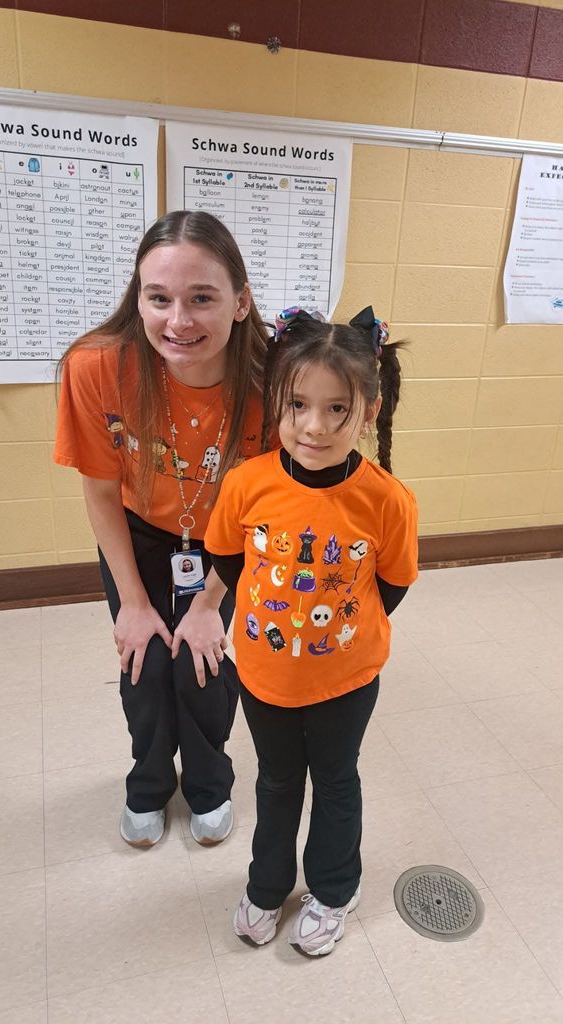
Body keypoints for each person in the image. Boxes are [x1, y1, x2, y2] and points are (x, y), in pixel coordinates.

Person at [205, 306, 418, 955]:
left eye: (336, 409)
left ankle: (331, 887)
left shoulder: (386, 499)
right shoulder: (247, 483)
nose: (313, 426)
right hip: (263, 675)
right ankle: (267, 885)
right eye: (297, 404)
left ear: (369, 407)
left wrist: (336, 635)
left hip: (345, 679)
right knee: (273, 782)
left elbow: (392, 582)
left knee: (333, 779)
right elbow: (226, 558)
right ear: (276, 399)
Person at [54, 211, 269, 849]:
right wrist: (134, 604)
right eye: (159, 298)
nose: (178, 322)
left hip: (229, 542)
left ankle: (209, 783)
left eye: (202, 297)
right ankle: (147, 784)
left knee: (200, 662)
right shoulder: (97, 367)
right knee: (144, 660)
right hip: (140, 534)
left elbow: (265, 509)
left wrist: (209, 604)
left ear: (240, 302)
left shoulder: (270, 381)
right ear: (139, 298)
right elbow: (98, 490)